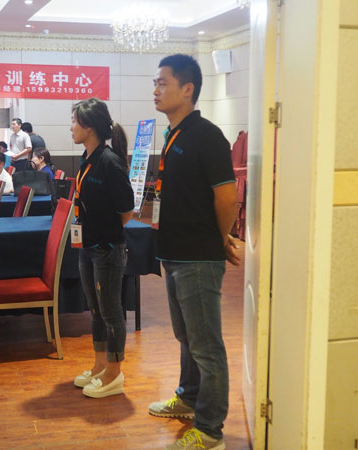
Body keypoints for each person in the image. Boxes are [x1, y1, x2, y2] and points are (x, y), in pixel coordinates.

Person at [148, 54, 240, 450]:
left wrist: (219, 238)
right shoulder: (175, 134)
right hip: (175, 252)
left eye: (163, 83)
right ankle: (188, 398)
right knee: (186, 336)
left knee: (206, 346)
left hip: (198, 256)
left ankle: (210, 429)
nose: (155, 90)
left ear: (187, 89)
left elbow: (227, 197)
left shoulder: (207, 136)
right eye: (155, 83)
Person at [70, 98, 134, 399]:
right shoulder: (88, 158)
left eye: (74, 122)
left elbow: (126, 210)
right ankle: (99, 366)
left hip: (107, 248)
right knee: (95, 310)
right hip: (88, 245)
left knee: (111, 312)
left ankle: (114, 372)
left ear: (89, 126)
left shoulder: (109, 162)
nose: (71, 128)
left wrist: (107, 231)